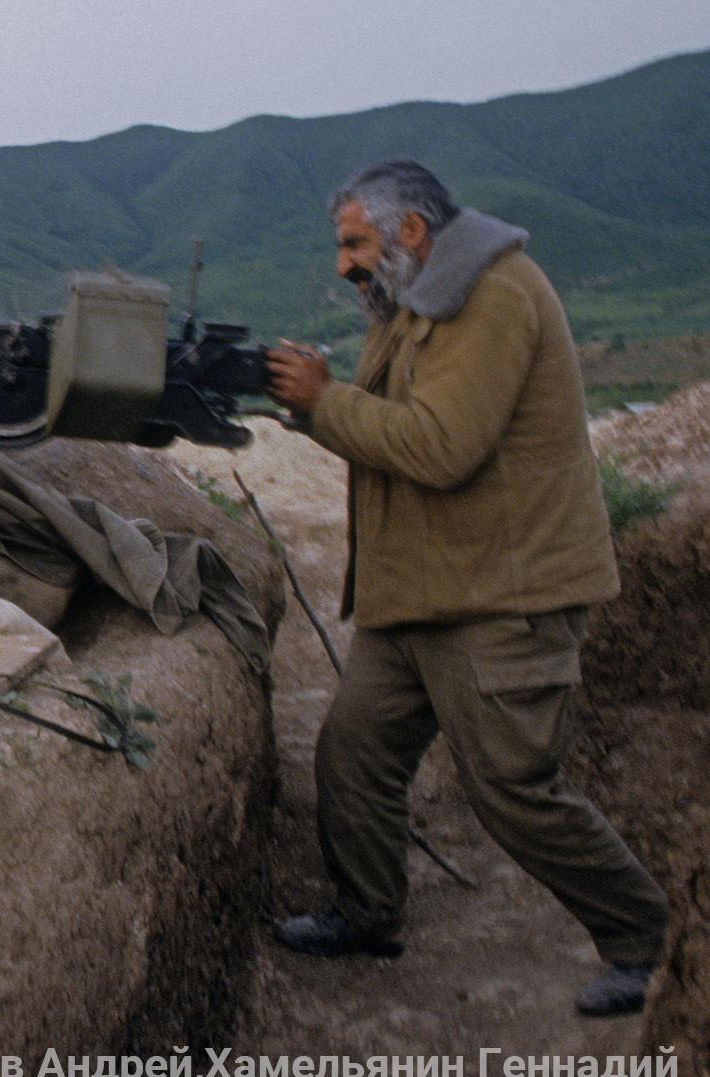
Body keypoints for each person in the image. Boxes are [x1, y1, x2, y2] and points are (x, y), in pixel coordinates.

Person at [261, 159, 669, 1016]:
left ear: (411, 231)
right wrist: (308, 403)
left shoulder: (496, 297)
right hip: (421, 595)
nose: (344, 266)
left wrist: (326, 401)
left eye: (355, 244)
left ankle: (650, 943)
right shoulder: (413, 302)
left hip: (503, 597)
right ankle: (366, 912)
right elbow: (381, 423)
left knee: (514, 787)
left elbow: (441, 445)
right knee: (355, 752)